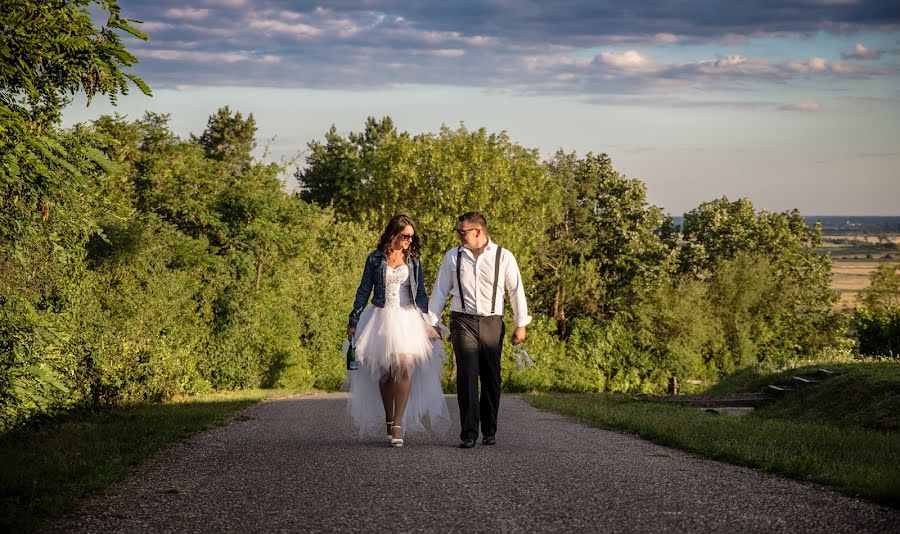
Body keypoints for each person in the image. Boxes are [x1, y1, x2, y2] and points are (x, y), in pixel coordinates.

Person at [345, 214, 451, 447]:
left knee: (404, 367)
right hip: (381, 317)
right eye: (405, 236)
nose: (409, 241)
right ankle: (389, 416)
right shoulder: (374, 259)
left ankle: (398, 424)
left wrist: (430, 323)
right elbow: (364, 291)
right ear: (393, 233)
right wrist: (354, 320)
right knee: (384, 374)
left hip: (408, 318)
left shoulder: (413, 260)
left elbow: (421, 293)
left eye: (412, 237)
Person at [428, 211, 530, 448]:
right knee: (467, 374)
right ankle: (469, 433)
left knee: (491, 375)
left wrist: (520, 324)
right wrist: (431, 322)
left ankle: (489, 429)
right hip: (462, 320)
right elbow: (440, 290)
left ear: (478, 231)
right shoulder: (453, 256)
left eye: (462, 232)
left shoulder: (503, 256)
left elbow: (516, 290)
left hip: (493, 321)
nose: (459, 235)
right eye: (459, 231)